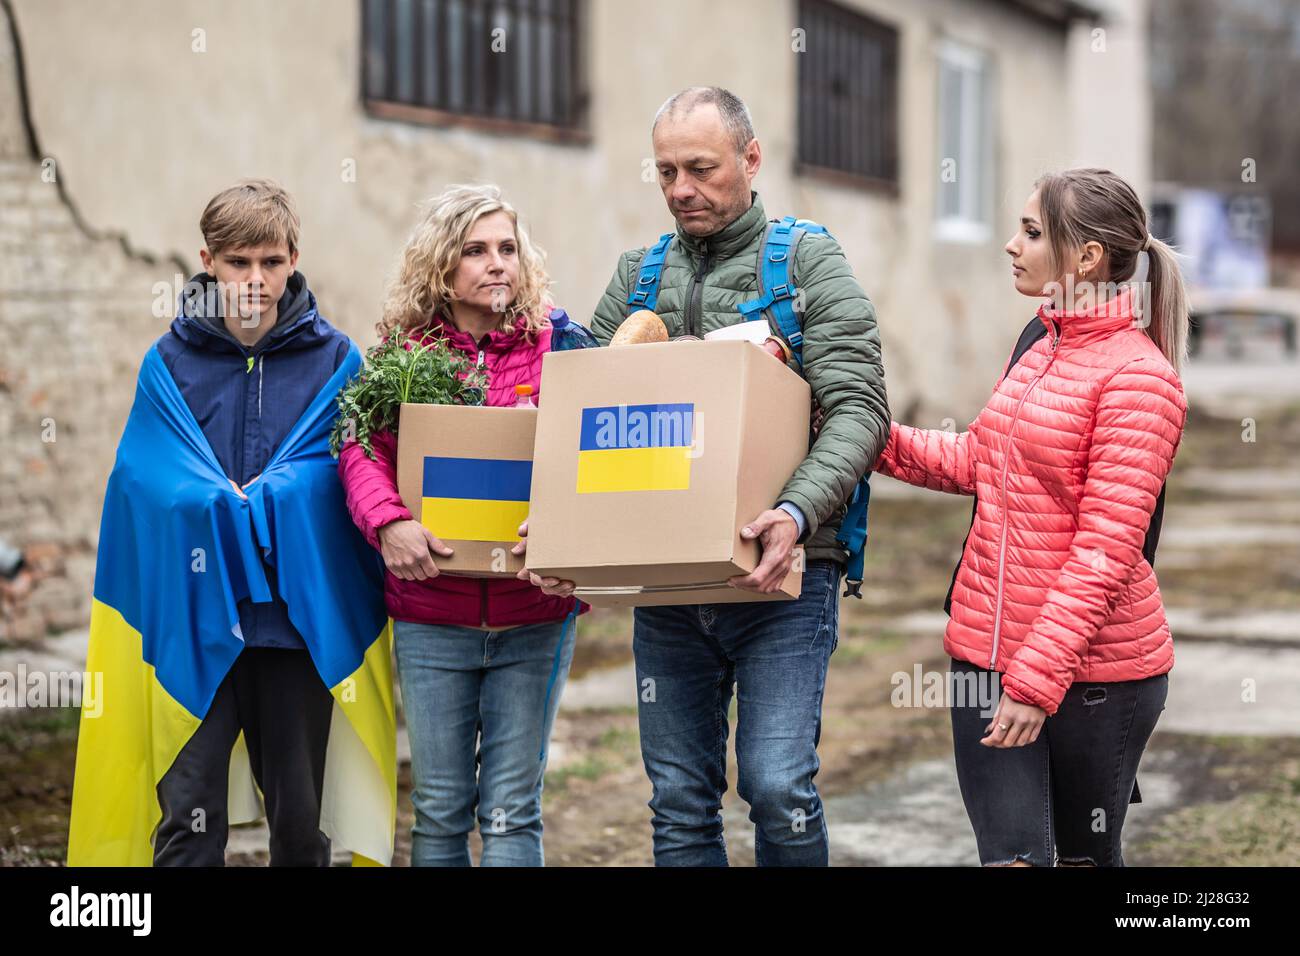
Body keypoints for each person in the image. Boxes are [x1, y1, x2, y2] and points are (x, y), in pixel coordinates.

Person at [585, 87, 891, 866]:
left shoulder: (805, 261)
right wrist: (562, 533)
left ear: (751, 160)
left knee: (777, 782)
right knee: (680, 797)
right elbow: (581, 418)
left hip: (784, 574)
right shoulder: (637, 277)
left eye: (700, 168)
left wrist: (793, 514)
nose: (681, 189)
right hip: (670, 583)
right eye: (665, 172)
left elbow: (860, 409)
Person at [69, 178, 396, 867]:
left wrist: (280, 490)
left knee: (302, 824)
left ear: (293, 259)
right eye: (239, 262)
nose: (256, 279)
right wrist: (209, 496)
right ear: (208, 261)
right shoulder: (169, 363)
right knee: (188, 820)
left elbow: (352, 467)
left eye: (271, 262)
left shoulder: (336, 362)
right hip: (192, 623)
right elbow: (141, 479)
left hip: (294, 625)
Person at [874, 168, 1189, 867]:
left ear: (1086, 258)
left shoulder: (1140, 379)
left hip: (1098, 680)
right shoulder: (1038, 348)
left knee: (1083, 859)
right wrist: (872, 438)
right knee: (1010, 860)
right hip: (983, 661)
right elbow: (978, 462)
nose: (1012, 246)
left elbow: (1105, 552)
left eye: (1032, 232)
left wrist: (1036, 684)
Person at [338, 184, 587, 867]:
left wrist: (565, 522)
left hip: (534, 610)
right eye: (475, 251)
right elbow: (360, 447)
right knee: (440, 809)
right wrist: (388, 524)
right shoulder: (404, 353)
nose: (497, 263)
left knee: (511, 809)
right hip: (431, 616)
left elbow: (599, 456)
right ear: (442, 265)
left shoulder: (562, 345)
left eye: (508, 248)